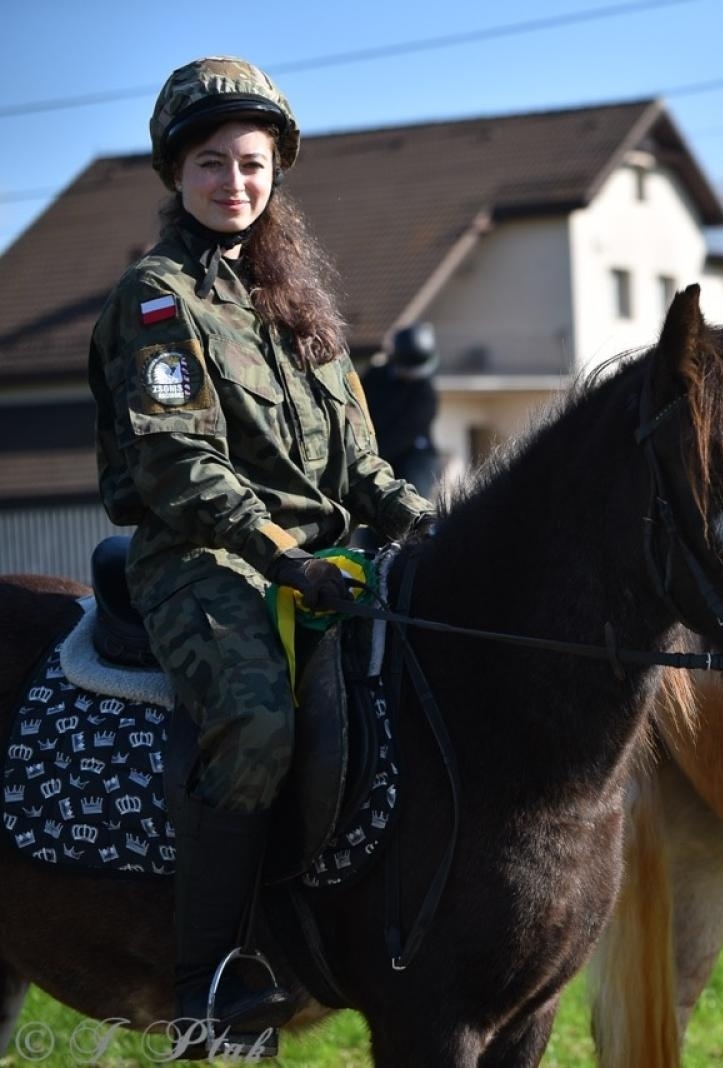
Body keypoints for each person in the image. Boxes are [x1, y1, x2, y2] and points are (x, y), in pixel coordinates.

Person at [88, 57, 434, 1035]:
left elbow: (362, 465)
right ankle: (211, 981)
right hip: (204, 559)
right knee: (256, 722)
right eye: (211, 163)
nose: (233, 182)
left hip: (328, 558)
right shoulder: (158, 302)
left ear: (276, 170)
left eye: (250, 163)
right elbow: (179, 467)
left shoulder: (301, 304)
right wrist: (284, 556)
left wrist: (429, 528)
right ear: (176, 173)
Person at [361, 322, 441, 499]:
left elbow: (404, 434)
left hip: (414, 454)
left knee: (411, 498)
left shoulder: (425, 393)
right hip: (374, 449)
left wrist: (376, 458)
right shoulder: (374, 378)